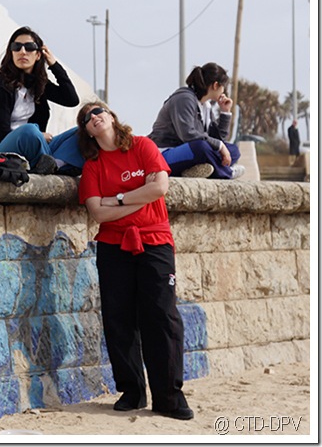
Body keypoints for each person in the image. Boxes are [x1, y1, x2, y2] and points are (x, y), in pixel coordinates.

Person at [77, 100, 194, 421]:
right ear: (86, 131)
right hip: (113, 247)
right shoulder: (93, 167)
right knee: (119, 319)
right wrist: (135, 197)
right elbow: (97, 212)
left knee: (161, 316)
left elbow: (159, 187)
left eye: (98, 111)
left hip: (154, 241)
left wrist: (116, 199)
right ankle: (132, 390)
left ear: (112, 117)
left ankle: (169, 396)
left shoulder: (142, 146)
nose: (94, 117)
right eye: (87, 118)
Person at [0, 26, 82, 175]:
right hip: (1, 150)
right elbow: (1, 134)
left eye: (29, 47)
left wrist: (54, 65)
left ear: (38, 55)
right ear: (11, 53)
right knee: (30, 130)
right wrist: (39, 135)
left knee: (83, 131)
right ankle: (57, 165)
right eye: (16, 47)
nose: (22, 52)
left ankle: (53, 164)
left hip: (35, 147)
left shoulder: (39, 84)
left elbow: (71, 99)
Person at [148, 63, 245, 180]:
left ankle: (192, 169)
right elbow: (188, 134)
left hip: (189, 151)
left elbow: (219, 139)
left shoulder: (206, 106)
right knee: (201, 147)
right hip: (164, 153)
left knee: (233, 150)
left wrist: (225, 112)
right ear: (215, 85)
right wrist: (219, 146)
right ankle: (226, 172)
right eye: (223, 87)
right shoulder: (184, 98)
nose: (224, 91)